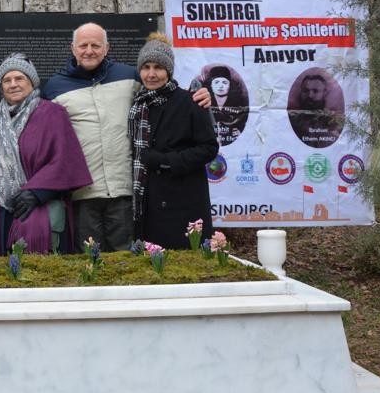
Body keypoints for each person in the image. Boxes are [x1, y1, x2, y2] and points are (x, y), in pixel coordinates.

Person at [42, 22, 211, 252]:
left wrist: (200, 95)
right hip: (82, 191)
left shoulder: (130, 77)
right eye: (83, 45)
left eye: (95, 45)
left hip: (124, 190)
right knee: (87, 259)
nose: (89, 51)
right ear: (73, 48)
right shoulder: (54, 87)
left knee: (126, 258)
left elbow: (163, 91)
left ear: (107, 48)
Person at [0, 54, 92, 256]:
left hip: (38, 207)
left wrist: (37, 192)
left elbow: (64, 161)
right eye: (7, 80)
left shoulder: (53, 114)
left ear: (32, 82)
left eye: (19, 78)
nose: (13, 84)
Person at [129, 34, 218, 249]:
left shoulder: (191, 101)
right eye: (146, 67)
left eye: (158, 67)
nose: (151, 74)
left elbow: (209, 148)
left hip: (182, 202)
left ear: (168, 71)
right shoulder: (137, 105)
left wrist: (166, 161)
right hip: (147, 201)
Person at [288, 72, 344, 147]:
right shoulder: (289, 120)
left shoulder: (336, 122)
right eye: (305, 91)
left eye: (315, 91)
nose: (310, 95)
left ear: (325, 93)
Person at [205, 65, 249, 146]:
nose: (220, 86)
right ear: (211, 85)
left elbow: (244, 124)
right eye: (216, 82)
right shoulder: (204, 102)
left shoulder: (239, 103)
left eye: (224, 82)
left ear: (229, 85)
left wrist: (239, 132)